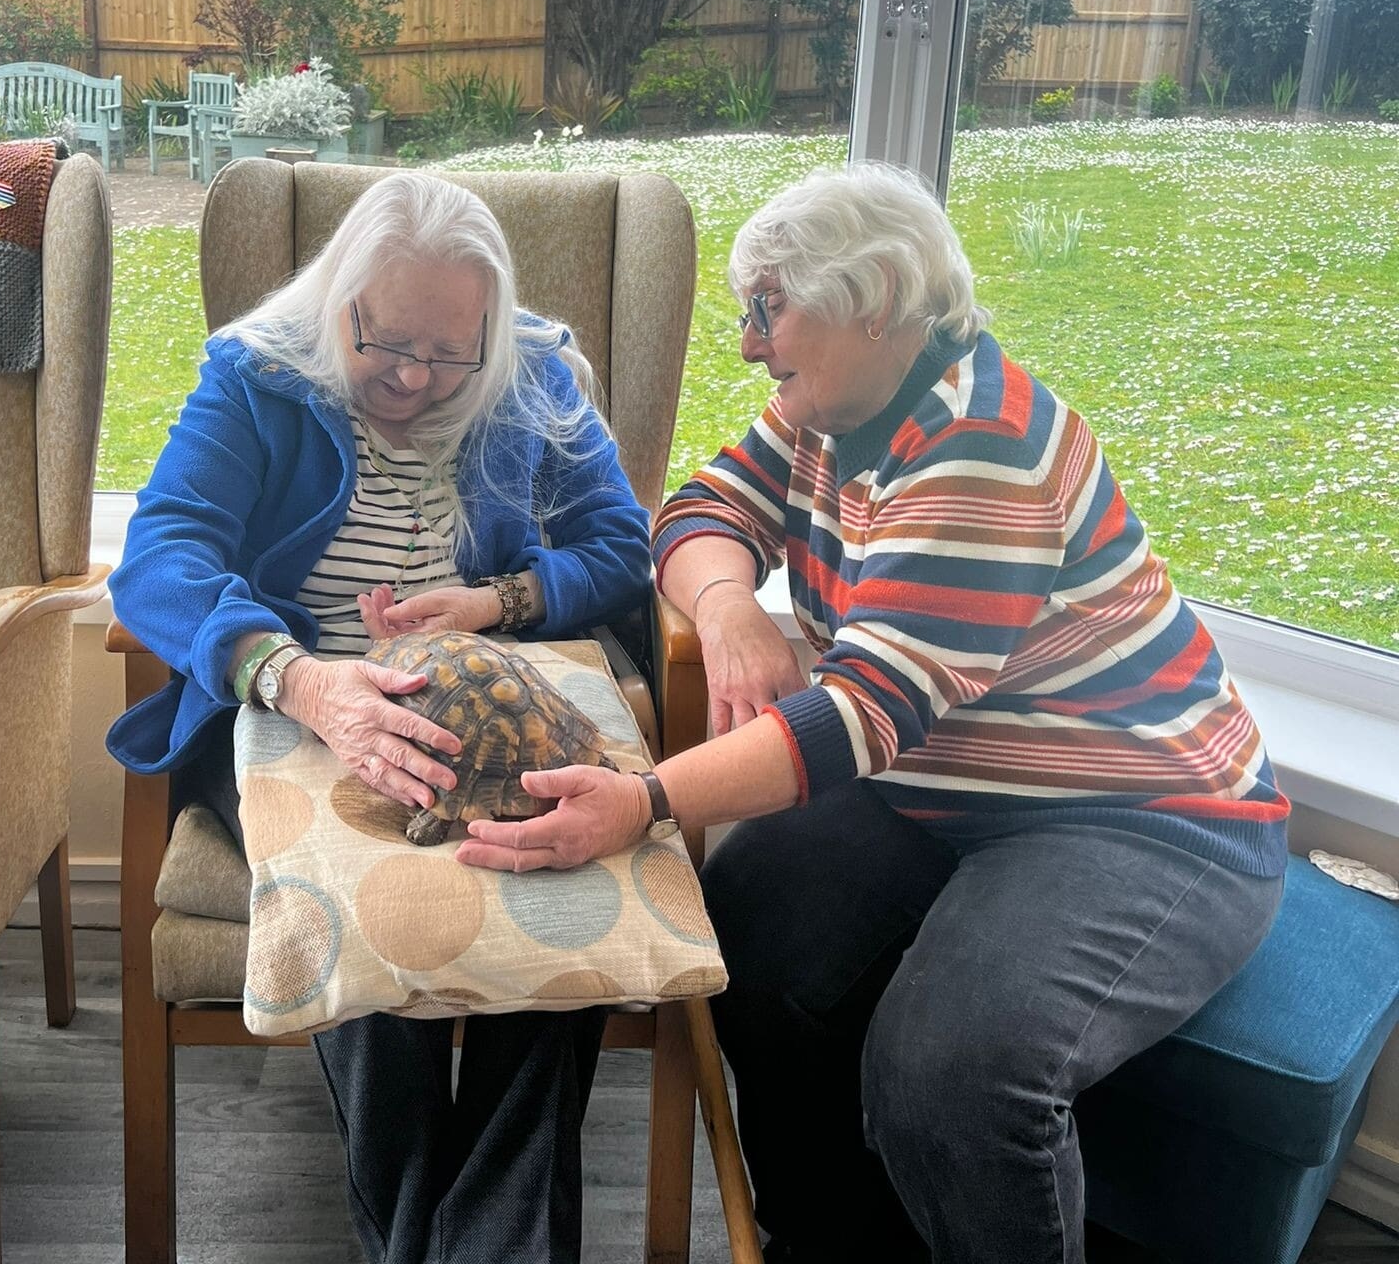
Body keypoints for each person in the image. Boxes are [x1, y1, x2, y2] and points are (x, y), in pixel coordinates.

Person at [455, 161, 1290, 1264]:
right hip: (942, 784)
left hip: (1139, 813)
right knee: (748, 933)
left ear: (881, 295)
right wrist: (730, 608)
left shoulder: (981, 447)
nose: (750, 340)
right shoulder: (833, 409)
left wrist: (644, 799)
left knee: (951, 1070)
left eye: (771, 307)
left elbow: (860, 716)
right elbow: (700, 510)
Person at [106, 171, 652, 1264]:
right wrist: (304, 680)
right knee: (370, 903)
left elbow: (621, 546)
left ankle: (491, 1247)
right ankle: (412, 1242)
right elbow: (159, 557)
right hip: (282, 708)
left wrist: (504, 601)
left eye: (452, 355)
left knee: (553, 877)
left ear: (491, 335)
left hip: (482, 709)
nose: (414, 376)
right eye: (387, 342)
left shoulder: (533, 378)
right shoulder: (259, 376)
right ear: (339, 299)